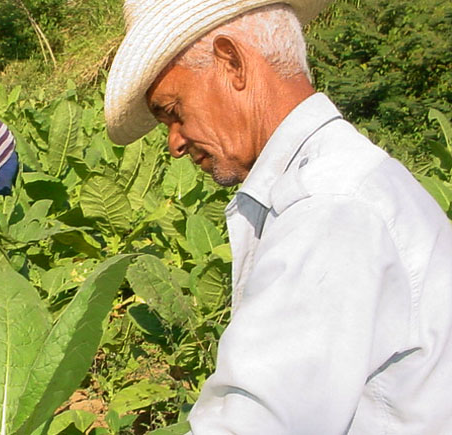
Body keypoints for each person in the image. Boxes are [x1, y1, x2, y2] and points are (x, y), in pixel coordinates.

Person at [104, 0, 452, 433]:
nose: (174, 143)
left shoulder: (328, 207)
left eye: (173, 111)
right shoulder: (349, 176)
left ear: (232, 64)